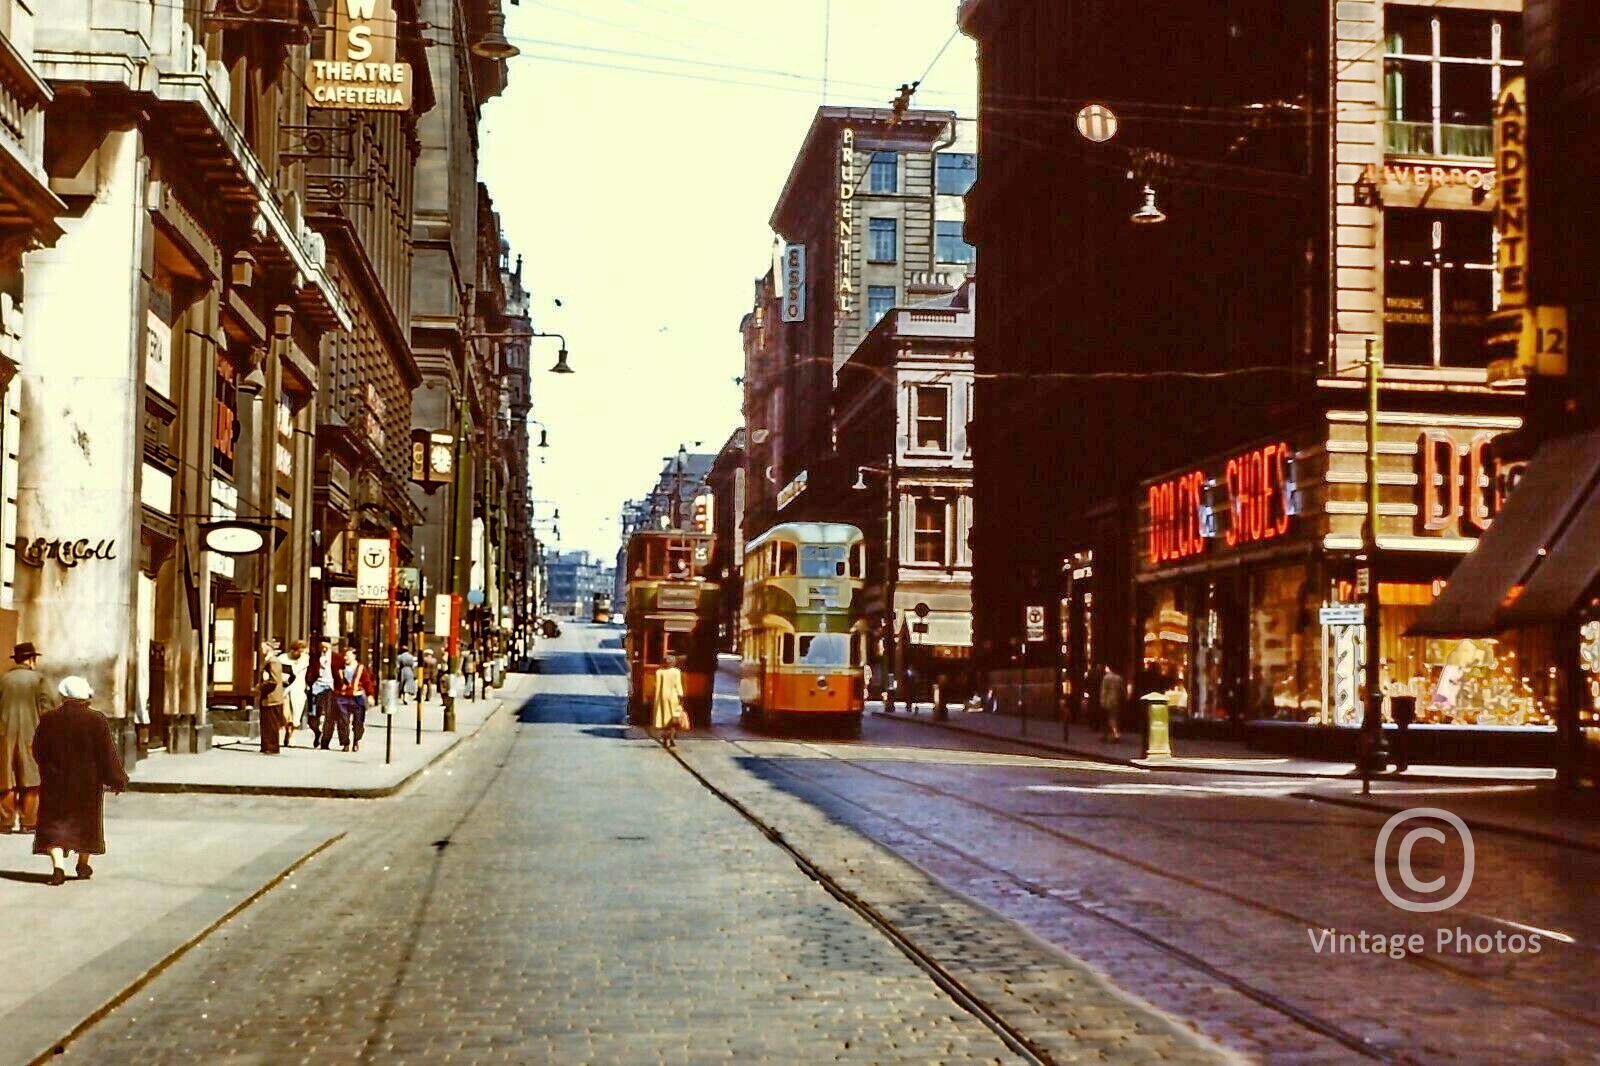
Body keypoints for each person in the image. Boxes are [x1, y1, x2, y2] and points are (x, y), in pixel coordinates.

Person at [32, 676, 127, 885]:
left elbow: (38, 749)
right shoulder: (96, 720)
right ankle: (83, 864)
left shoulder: (49, 719)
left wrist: (48, 769)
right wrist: (116, 778)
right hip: (87, 783)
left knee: (54, 824)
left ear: (64, 695)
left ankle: (58, 866)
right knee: (85, 824)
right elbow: (106, 753)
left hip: (56, 782)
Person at [0, 642, 51, 833]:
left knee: (5, 779)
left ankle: (5, 822)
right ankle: (28, 822)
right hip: (32, 733)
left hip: (4, 734)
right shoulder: (39, 680)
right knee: (31, 778)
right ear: (31, 660)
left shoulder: (3, 679)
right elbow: (48, 708)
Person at [331, 644, 375, 753]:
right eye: (344, 656)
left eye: (348, 656)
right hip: (342, 697)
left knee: (359, 722)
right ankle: (345, 743)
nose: (346, 658)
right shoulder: (339, 668)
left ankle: (356, 740)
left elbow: (367, 682)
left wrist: (370, 695)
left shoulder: (361, 668)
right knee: (342, 721)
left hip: (357, 697)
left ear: (354, 656)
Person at [652, 654, 688, 749]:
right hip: (673, 698)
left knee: (664, 719)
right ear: (673, 663)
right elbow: (678, 686)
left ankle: (664, 739)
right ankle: (671, 739)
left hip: (661, 698)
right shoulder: (676, 672)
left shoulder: (659, 672)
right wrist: (681, 697)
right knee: (673, 719)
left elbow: (655, 686)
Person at [257, 640, 285, 755]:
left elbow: (274, 681)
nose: (261, 649)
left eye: (263, 647)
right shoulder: (268, 661)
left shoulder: (273, 662)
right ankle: (266, 745)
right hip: (267, 698)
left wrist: (260, 686)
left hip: (272, 698)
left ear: (269, 648)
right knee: (266, 723)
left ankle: (272, 746)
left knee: (272, 724)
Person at [280, 639, 309, 747]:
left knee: (297, 714)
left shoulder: (305, 658)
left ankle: (292, 736)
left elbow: (296, 670)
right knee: (285, 714)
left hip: (298, 689)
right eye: (300, 651)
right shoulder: (283, 657)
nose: (302, 654)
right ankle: (287, 728)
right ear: (293, 650)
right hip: (285, 689)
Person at [307, 639, 333, 742]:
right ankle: (317, 732)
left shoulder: (336, 658)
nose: (324, 648)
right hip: (316, 686)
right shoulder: (315, 657)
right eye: (322, 646)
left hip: (330, 686)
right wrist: (309, 682)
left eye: (326, 646)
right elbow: (310, 671)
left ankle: (325, 741)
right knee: (312, 715)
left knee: (328, 714)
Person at [1100, 664, 1125, 743]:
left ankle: (1115, 735)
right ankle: (1109, 735)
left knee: (1109, 719)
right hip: (1117, 700)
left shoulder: (1106, 678)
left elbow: (1104, 690)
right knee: (1114, 717)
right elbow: (1122, 690)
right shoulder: (1119, 678)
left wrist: (1102, 700)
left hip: (1108, 700)